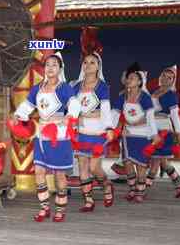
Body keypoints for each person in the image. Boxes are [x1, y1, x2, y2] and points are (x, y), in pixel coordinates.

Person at [12, 52, 80, 222]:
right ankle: (44, 208)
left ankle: (60, 209)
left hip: (59, 135)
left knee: (59, 175)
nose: (50, 68)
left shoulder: (64, 88)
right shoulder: (37, 89)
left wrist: (69, 116)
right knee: (39, 171)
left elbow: (74, 103)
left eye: (54, 65)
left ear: (60, 69)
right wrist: (18, 115)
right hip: (41, 136)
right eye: (47, 65)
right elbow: (27, 106)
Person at [71, 53, 116, 211]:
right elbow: (72, 109)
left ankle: (107, 184)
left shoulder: (102, 86)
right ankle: (88, 201)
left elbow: (105, 109)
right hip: (81, 132)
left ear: (98, 66)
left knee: (94, 167)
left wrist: (109, 127)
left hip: (98, 133)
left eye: (92, 62)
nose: (88, 65)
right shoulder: (76, 86)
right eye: (85, 62)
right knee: (83, 166)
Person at [114, 68, 160, 203]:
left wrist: (154, 134)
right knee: (127, 163)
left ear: (140, 82)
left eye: (133, 78)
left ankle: (140, 191)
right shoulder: (123, 96)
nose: (129, 80)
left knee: (140, 165)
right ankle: (133, 189)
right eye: (128, 78)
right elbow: (114, 113)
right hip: (127, 135)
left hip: (142, 135)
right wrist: (113, 128)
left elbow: (150, 117)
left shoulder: (145, 97)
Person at [147, 66, 180, 198]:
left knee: (155, 162)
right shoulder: (154, 91)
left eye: (169, 78)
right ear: (160, 77)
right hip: (153, 129)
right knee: (163, 162)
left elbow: (175, 115)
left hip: (164, 131)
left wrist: (179, 131)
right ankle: (179, 184)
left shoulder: (171, 95)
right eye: (164, 75)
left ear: (172, 81)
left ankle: (141, 190)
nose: (165, 79)